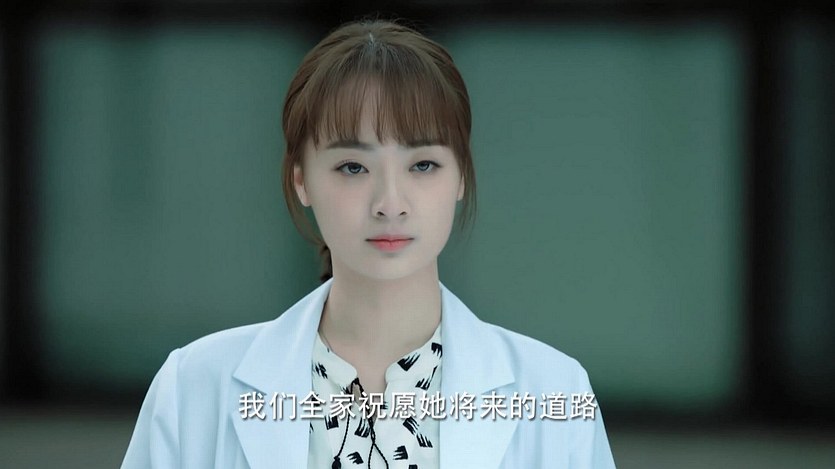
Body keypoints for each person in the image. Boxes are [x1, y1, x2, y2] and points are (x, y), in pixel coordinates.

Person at [122, 18, 616, 469]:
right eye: (353, 167)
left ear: (462, 176)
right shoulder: (194, 388)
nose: (390, 203)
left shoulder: (554, 392)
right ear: (301, 180)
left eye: (423, 165)